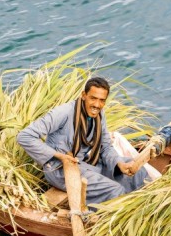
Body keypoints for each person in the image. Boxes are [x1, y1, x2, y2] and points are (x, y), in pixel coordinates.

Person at [17, 76, 150, 204]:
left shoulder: (99, 114)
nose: (97, 104)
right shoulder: (63, 113)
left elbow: (105, 147)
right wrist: (60, 156)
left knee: (137, 171)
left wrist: (118, 163)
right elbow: (25, 136)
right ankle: (103, 218)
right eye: (93, 98)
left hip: (85, 163)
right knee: (114, 190)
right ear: (83, 95)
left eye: (102, 100)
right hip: (61, 170)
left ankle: (140, 206)